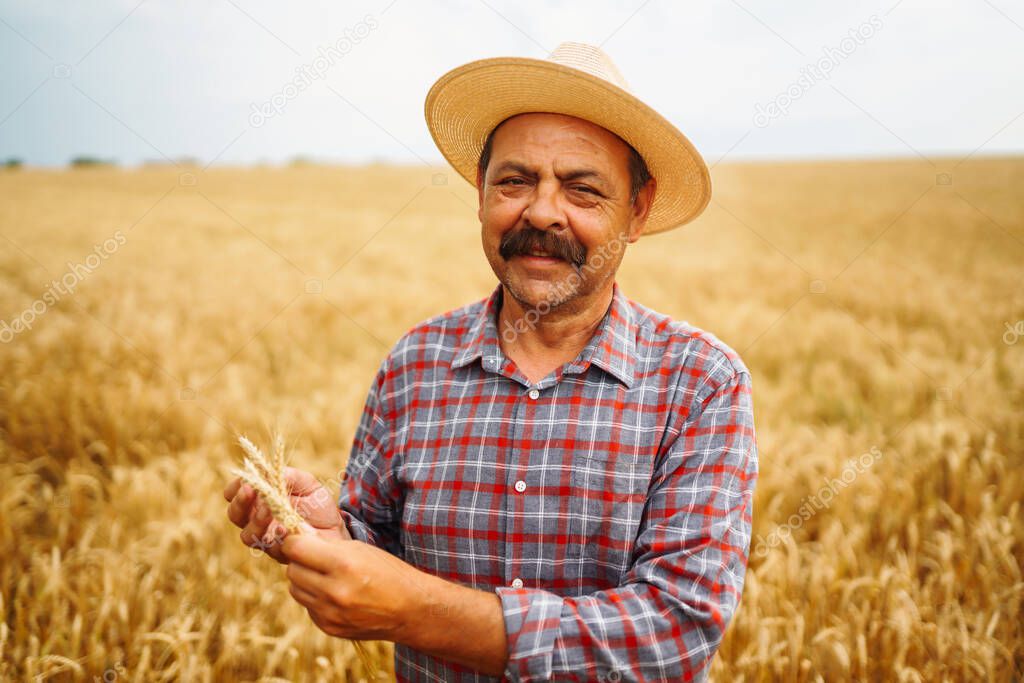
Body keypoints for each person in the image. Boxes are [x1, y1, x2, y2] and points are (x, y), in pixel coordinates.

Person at [224, 41, 758, 682]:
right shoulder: (415, 363)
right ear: (480, 192)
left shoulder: (700, 384)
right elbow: (381, 552)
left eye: (583, 191)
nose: (540, 212)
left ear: (636, 211)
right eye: (515, 181)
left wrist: (415, 612)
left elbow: (673, 631)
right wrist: (329, 536)